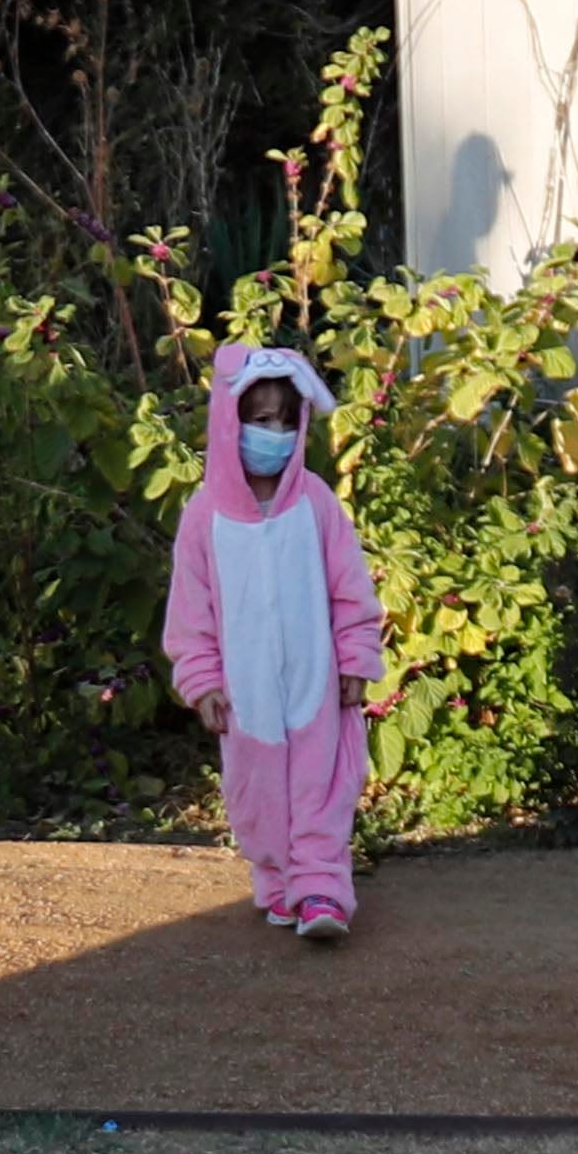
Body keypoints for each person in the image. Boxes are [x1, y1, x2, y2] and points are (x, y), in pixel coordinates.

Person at [160, 344, 387, 946]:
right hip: (247, 696)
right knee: (256, 798)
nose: (277, 434)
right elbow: (191, 612)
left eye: (288, 420)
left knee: (322, 785)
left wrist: (357, 657)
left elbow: (351, 589)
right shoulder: (205, 516)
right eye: (262, 420)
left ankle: (321, 888)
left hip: (317, 684)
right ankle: (278, 880)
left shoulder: (315, 503)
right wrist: (202, 680)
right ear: (230, 422)